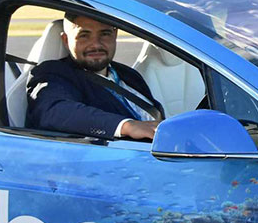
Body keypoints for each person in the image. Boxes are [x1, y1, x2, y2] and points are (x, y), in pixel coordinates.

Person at [26, 13, 163, 140]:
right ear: (66, 40)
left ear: (115, 35)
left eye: (104, 34)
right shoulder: (53, 73)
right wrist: (127, 126)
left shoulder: (129, 75)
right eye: (84, 35)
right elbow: (54, 112)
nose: (96, 44)